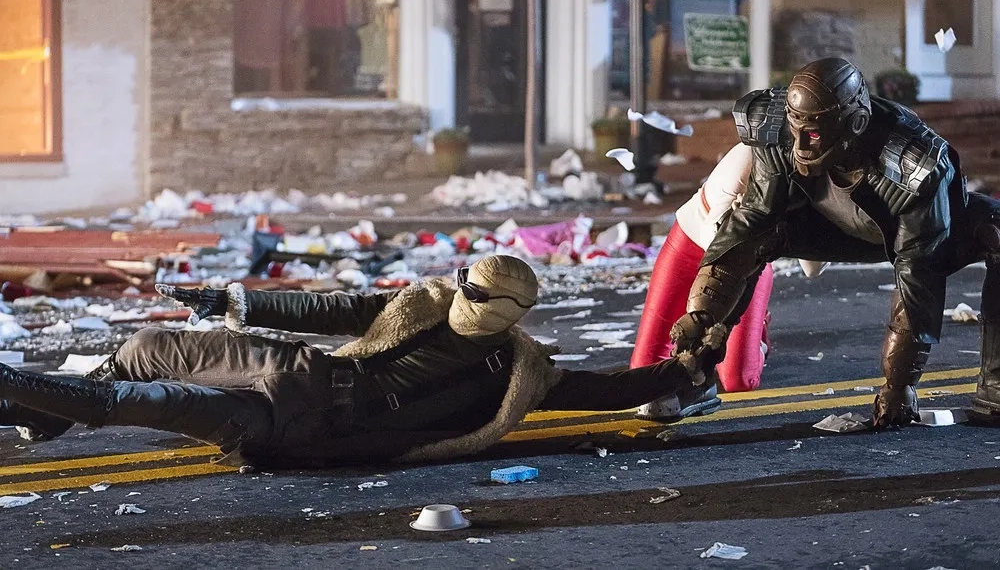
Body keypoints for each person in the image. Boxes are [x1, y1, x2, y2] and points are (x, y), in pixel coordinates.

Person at [0, 255, 721, 468]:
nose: (463, 289)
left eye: (480, 291)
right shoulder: (427, 301)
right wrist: (225, 297)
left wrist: (683, 370)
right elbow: (330, 310)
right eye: (468, 279)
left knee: (150, 403)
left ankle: (21, 391)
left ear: (508, 314)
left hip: (295, 426)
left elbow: (605, 388)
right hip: (297, 371)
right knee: (143, 349)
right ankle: (44, 411)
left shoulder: (520, 370)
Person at [666, 57, 1000, 429]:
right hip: (828, 225)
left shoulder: (912, 165)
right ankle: (697, 371)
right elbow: (753, 221)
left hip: (916, 232)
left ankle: (996, 386)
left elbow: (918, 271)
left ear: (854, 123)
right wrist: (700, 316)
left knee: (996, 230)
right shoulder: (775, 126)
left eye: (814, 132)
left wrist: (899, 384)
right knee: (755, 232)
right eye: (799, 130)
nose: (803, 143)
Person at [630, 142, 828, 421]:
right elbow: (720, 244)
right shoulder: (751, 152)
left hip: (751, 258)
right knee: (643, 373)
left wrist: (819, 215)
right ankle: (726, 340)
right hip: (699, 242)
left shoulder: (823, 172)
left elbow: (813, 266)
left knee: (738, 380)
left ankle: (757, 333)